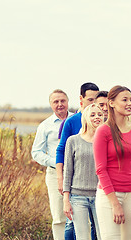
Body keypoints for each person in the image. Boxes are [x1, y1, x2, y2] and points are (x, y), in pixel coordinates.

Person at [93, 85, 131, 240]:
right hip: (109, 196)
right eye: (124, 100)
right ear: (111, 103)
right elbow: (100, 170)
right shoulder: (103, 131)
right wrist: (115, 204)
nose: (129, 103)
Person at [56, 82, 99, 240]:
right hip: (76, 186)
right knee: (71, 224)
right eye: (90, 100)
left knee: (97, 227)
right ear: (81, 99)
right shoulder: (71, 122)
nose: (93, 104)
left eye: (96, 100)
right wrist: (60, 180)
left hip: (97, 190)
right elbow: (61, 151)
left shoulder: (100, 123)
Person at [31, 89, 71, 240]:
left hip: (78, 173)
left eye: (63, 101)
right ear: (50, 105)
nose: (60, 104)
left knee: (81, 214)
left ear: (68, 102)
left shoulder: (77, 120)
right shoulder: (45, 126)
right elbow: (36, 152)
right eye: (56, 101)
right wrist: (56, 162)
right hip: (55, 174)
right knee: (59, 217)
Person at [63, 103, 103, 240]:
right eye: (92, 115)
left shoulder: (106, 141)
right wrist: (66, 200)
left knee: (102, 235)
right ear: (85, 118)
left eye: (100, 114)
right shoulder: (73, 141)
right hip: (78, 197)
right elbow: (68, 171)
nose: (97, 117)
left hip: (100, 196)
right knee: (82, 237)